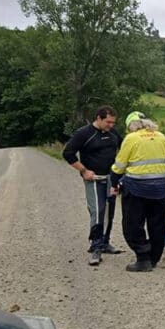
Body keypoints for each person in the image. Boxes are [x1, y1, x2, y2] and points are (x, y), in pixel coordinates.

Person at [110, 111, 165, 272]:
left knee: (132, 225)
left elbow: (119, 165)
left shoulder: (131, 138)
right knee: (157, 225)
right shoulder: (161, 136)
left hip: (136, 189)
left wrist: (115, 183)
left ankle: (143, 258)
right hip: (159, 189)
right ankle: (154, 258)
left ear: (131, 126)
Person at [62, 105, 123, 266]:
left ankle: (105, 242)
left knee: (109, 211)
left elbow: (124, 150)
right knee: (98, 210)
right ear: (98, 118)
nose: (111, 125)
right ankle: (95, 247)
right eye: (108, 122)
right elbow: (67, 153)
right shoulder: (84, 134)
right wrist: (83, 170)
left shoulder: (113, 133)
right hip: (93, 178)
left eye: (113, 123)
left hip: (111, 177)